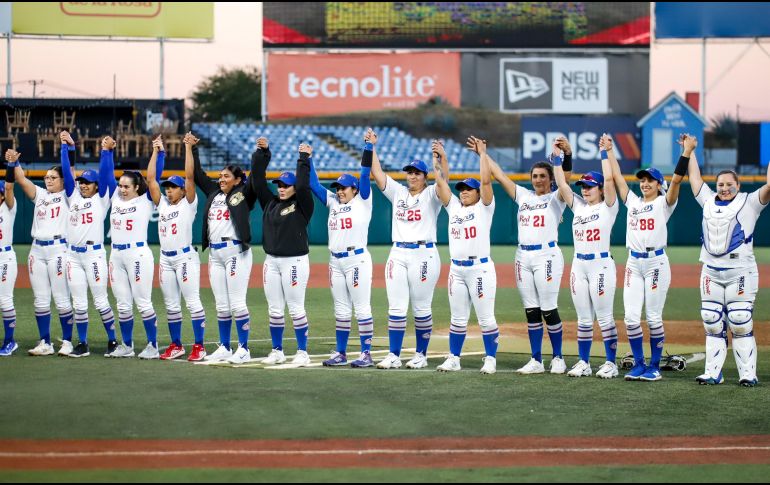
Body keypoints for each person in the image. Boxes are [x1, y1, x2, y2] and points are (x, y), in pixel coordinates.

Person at [484, 136, 572, 375]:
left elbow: (566, 180)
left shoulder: (557, 198)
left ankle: (558, 358)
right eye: (534, 176)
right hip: (523, 257)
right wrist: (483, 153)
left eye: (542, 176)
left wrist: (566, 157)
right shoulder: (524, 196)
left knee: (548, 309)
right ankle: (536, 359)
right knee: (531, 310)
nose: (538, 180)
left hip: (547, 256)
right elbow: (500, 175)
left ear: (551, 179)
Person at [687, 134, 770, 386]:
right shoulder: (707, 200)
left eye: (728, 184)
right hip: (711, 272)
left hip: (741, 272)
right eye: (720, 184)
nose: (724, 188)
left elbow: (769, 186)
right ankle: (713, 372)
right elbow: (694, 179)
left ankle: (748, 374)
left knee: (740, 320)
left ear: (738, 184)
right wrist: (689, 151)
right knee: (711, 320)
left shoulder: (751, 202)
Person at [607, 134, 685, 381]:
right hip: (634, 262)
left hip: (656, 262)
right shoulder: (633, 202)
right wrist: (609, 151)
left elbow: (676, 182)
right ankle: (639, 363)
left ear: (659, 184)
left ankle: (654, 366)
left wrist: (686, 153)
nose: (645, 183)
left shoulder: (664, 203)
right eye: (642, 180)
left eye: (650, 180)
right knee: (630, 316)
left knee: (652, 316)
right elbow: (618, 178)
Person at [369, 129, 447, 370]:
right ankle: (393, 355)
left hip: (424, 253)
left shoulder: (433, 194)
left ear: (424, 176)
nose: (411, 176)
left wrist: (440, 161)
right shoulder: (399, 193)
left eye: (416, 173)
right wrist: (371, 147)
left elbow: (443, 183)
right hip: (398, 253)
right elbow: (378, 174)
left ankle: (421, 355)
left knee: (421, 307)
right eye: (409, 172)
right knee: (396, 307)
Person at [191, 133, 265, 364]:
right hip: (215, 253)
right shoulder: (213, 193)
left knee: (237, 302)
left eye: (226, 176)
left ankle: (244, 348)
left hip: (235, 252)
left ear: (237, 180)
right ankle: (224, 346)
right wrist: (193, 149)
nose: (221, 179)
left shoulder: (243, 195)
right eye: (220, 176)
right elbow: (197, 174)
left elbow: (257, 176)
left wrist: (262, 153)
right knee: (221, 304)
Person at [553, 135, 620, 378]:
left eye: (590, 186)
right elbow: (562, 185)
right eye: (583, 185)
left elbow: (611, 177)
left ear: (601, 189)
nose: (585, 189)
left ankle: (610, 363)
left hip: (601, 265)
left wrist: (604, 153)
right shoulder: (579, 206)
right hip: (579, 265)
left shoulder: (608, 206)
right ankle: (584, 361)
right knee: (583, 318)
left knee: (604, 317)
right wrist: (557, 161)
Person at [308, 133, 375, 368]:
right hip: (335, 262)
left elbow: (365, 173)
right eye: (337, 187)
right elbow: (313, 185)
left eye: (344, 187)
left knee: (361, 307)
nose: (339, 191)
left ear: (355, 190)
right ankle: (341, 352)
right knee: (341, 309)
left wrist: (368, 146)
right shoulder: (333, 203)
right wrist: (308, 159)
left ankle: (366, 353)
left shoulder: (363, 200)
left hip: (356, 260)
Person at [434, 137, 499, 374]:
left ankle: (490, 358)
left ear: (478, 193)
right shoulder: (454, 208)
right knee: (457, 318)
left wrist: (482, 154)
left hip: (480, 268)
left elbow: (485, 180)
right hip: (457, 270)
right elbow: (441, 184)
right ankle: (454, 358)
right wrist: (440, 160)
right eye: (461, 189)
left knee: (485, 318)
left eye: (468, 189)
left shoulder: (484, 207)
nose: (463, 193)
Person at [147, 135, 207, 362]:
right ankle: (176, 345)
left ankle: (199, 346)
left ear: (183, 190)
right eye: (168, 188)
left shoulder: (188, 204)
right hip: (165, 259)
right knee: (171, 305)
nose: (169, 191)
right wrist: (155, 151)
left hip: (184, 258)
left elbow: (190, 176)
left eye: (173, 187)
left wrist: (188, 147)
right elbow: (151, 178)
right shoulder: (161, 203)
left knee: (192, 302)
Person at [60, 131, 118, 358]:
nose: (84, 186)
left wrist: (106, 152)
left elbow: (106, 175)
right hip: (73, 257)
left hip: (94, 256)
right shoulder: (71, 197)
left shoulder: (101, 199)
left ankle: (112, 340)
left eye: (88, 183)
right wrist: (66, 147)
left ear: (96, 186)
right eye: (82, 182)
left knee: (100, 299)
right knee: (79, 302)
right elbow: (66, 171)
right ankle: (82, 343)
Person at [256, 143, 315, 367]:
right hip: (271, 261)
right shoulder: (270, 203)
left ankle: (302, 352)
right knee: (274, 308)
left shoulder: (302, 205)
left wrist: (303, 158)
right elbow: (258, 182)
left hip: (294, 261)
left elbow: (302, 185)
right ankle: (277, 350)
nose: (281, 188)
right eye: (279, 185)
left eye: (286, 185)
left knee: (295, 307)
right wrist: (262, 154)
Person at [11, 149, 73, 356]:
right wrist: (14, 162)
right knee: (40, 299)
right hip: (36, 250)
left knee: (62, 298)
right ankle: (45, 342)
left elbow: (69, 171)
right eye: (46, 177)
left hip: (58, 249)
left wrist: (67, 148)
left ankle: (67, 341)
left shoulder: (68, 195)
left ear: (63, 180)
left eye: (53, 177)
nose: (48, 180)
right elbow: (20, 179)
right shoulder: (40, 195)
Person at [106, 149, 163, 359]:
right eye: (120, 185)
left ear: (136, 187)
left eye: (126, 186)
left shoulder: (145, 200)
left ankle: (153, 346)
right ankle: (127, 345)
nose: (121, 189)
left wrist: (158, 153)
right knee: (122, 304)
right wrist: (107, 152)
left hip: (137, 254)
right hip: (116, 255)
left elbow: (153, 177)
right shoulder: (115, 198)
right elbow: (105, 174)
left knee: (143, 301)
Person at [0, 152, 19, 356]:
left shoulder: (9, 208)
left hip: (5, 257)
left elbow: (9, 186)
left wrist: (11, 164)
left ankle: (9, 341)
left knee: (5, 299)